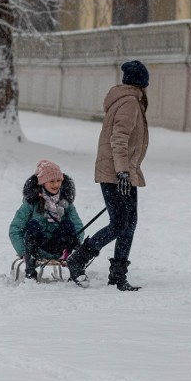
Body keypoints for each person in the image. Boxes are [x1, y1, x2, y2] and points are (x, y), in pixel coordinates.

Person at [66, 60, 150, 291]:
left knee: (128, 223)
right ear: (142, 82)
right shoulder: (130, 102)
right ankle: (78, 259)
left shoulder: (125, 99)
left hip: (123, 172)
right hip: (117, 173)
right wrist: (122, 171)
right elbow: (119, 139)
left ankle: (118, 275)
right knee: (121, 223)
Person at [9, 159, 85, 280]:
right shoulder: (31, 203)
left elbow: (78, 226)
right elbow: (15, 229)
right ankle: (30, 265)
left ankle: (69, 256)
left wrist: (76, 241)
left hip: (59, 247)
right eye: (52, 181)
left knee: (68, 224)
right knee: (33, 225)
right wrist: (23, 252)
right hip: (36, 248)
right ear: (42, 182)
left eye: (59, 180)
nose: (56, 185)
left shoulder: (66, 202)